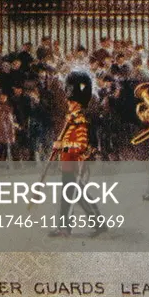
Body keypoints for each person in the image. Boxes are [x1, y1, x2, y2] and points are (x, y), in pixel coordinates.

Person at [48, 72, 102, 238]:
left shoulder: (80, 121)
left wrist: (62, 145)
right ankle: (98, 223)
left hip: (76, 164)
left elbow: (81, 145)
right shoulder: (70, 120)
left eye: (71, 101)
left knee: (72, 197)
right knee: (75, 196)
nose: (68, 103)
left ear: (78, 103)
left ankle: (66, 228)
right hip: (67, 163)